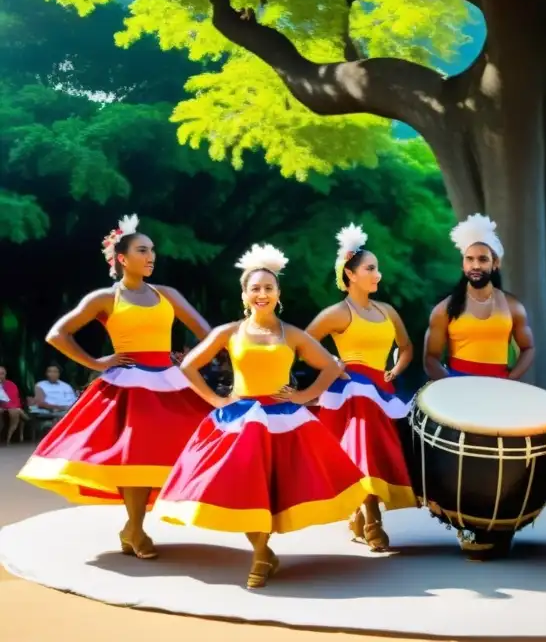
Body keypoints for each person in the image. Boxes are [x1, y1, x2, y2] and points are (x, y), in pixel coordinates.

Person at [152, 243, 368, 589]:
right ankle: (260, 553)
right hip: (240, 418)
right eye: (255, 288)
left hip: (284, 420)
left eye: (268, 288)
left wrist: (303, 395)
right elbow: (189, 365)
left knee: (277, 488)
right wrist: (214, 400)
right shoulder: (229, 332)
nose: (262, 294)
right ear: (245, 294)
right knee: (245, 487)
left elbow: (331, 366)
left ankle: (262, 554)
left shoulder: (291, 333)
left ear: (278, 293)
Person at [17, 214, 213, 559]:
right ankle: (136, 529)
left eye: (152, 250)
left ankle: (133, 528)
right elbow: (57, 335)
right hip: (127, 385)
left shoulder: (168, 294)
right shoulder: (106, 298)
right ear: (122, 258)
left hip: (170, 384)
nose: (151, 256)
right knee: (133, 459)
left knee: (174, 454)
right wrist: (97, 362)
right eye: (142, 250)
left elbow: (208, 334)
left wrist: (189, 362)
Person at [306, 224, 417, 552]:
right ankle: (372, 521)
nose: (377, 275)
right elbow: (301, 344)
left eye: (377, 269)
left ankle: (360, 513)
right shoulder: (337, 313)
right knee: (362, 451)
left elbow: (407, 346)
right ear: (351, 274)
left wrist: (394, 369)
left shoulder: (387, 311)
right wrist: (333, 366)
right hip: (352, 393)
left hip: (381, 391)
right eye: (370, 268)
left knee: (376, 454)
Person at [424, 214, 534, 380]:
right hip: (458, 388)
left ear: (495, 263)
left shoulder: (513, 307)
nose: (475, 265)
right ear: (463, 264)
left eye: (483, 259)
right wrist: (450, 385)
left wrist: (510, 380)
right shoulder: (444, 309)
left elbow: (528, 348)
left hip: (498, 389)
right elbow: (430, 358)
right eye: (470, 259)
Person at [1, 365, 28, 444]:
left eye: (2, 374)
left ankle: (9, 437)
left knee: (14, 411)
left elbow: (14, 400)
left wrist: (6, 407)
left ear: (5, 375)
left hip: (11, 407)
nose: (0, 376)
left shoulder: (11, 385)